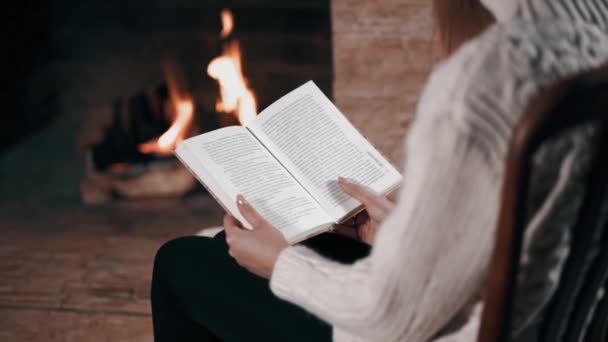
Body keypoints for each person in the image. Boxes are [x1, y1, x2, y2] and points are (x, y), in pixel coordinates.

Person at [151, 0, 608, 341]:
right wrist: (403, 234)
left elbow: (388, 315)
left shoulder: (483, 82)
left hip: (444, 332)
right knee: (233, 242)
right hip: (546, 321)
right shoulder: (593, 30)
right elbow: (531, 226)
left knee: (182, 263)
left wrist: (279, 264)